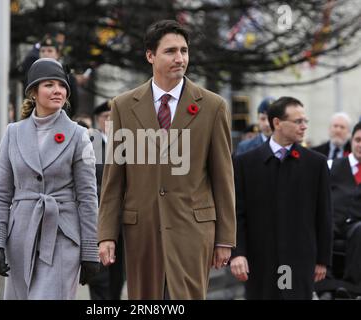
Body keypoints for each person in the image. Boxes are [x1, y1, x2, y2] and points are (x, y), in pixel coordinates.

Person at [97, 20, 236, 299]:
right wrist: (106, 234)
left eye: (184, 51)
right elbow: (114, 177)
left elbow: (223, 177)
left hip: (193, 230)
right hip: (142, 232)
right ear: (150, 56)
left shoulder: (213, 106)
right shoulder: (123, 106)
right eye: (171, 51)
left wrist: (225, 239)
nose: (180, 58)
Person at [0, 58, 100, 299]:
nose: (58, 90)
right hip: (20, 238)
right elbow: (1, 193)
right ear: (33, 92)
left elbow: (88, 197)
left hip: (61, 236)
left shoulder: (79, 135)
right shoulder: (13, 133)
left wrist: (90, 252)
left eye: (62, 85)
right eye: (49, 85)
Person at [231, 96, 333, 299]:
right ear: (277, 123)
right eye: (298, 121)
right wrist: (238, 253)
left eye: (305, 121)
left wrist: (322, 259)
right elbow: (236, 213)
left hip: (300, 259)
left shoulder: (316, 164)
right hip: (259, 260)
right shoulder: (245, 163)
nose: (304, 126)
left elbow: (323, 214)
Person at [88, 101, 125, 300]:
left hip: (124, 219)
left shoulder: (126, 143)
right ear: (98, 119)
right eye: (106, 117)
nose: (110, 121)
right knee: (100, 276)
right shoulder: (90, 142)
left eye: (114, 117)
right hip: (100, 216)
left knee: (119, 273)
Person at [329, 121, 361, 292]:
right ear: (352, 140)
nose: (360, 145)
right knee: (318, 226)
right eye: (358, 140)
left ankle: (352, 287)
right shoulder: (331, 165)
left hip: (356, 226)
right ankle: (324, 286)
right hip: (332, 221)